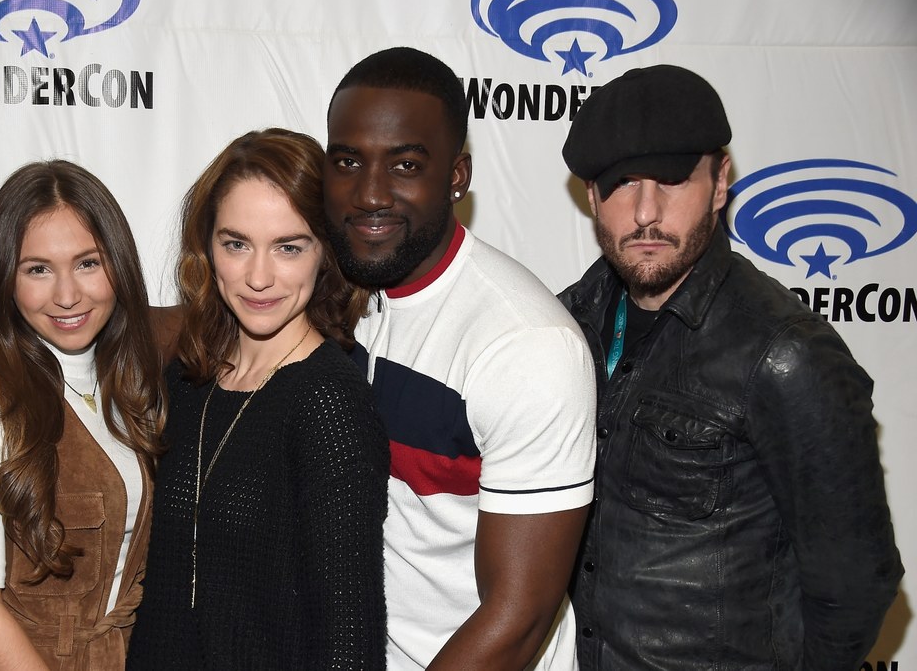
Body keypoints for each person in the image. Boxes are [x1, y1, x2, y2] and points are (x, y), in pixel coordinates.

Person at [558, 64, 904, 670]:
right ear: (591, 196)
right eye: (622, 184)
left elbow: (855, 589)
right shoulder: (569, 323)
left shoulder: (786, 354)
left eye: (672, 180)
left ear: (720, 182)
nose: (645, 212)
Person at [323, 47, 597, 670]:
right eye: (348, 161)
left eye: (406, 165)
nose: (369, 194)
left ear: (456, 176)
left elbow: (518, 621)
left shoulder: (524, 346)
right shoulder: (345, 288)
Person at [126, 128, 390, 669]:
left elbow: (349, 641)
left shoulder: (329, 405)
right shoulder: (188, 376)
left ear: (327, 254)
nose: (259, 277)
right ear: (208, 248)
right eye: (236, 243)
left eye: (288, 247)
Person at [0, 160, 165, 670]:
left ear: (118, 266)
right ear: (5, 281)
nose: (67, 295)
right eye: (38, 269)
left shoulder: (128, 389)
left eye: (88, 263)